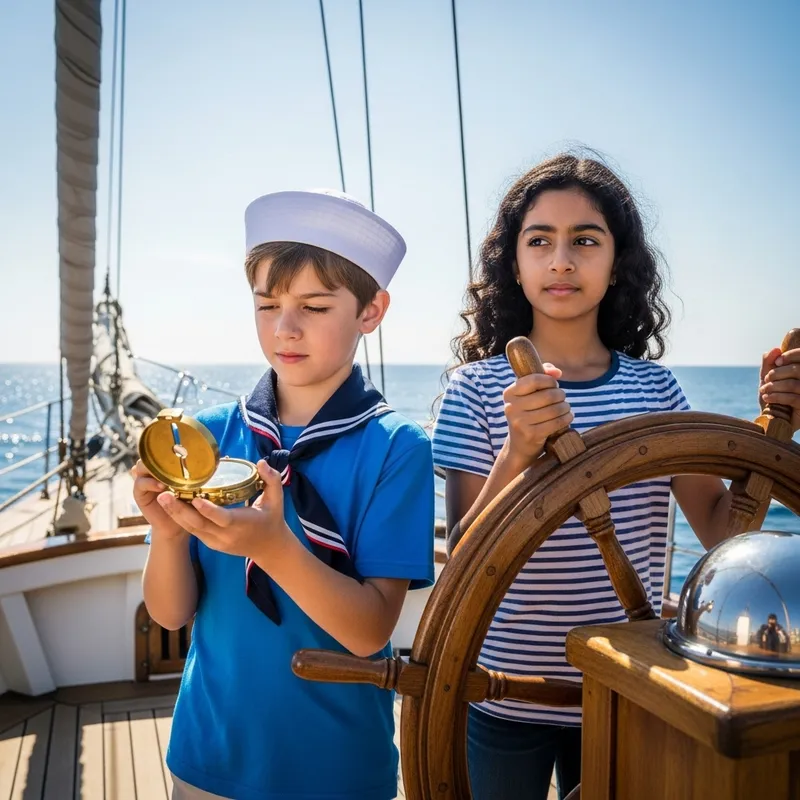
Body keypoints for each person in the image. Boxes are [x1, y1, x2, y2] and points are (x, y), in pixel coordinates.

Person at [431, 152, 800, 800]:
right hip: (497, 693)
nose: (562, 260)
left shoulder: (657, 390)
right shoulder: (475, 391)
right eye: (539, 240)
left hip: (624, 683)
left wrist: (779, 430)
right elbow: (462, 555)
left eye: (585, 240)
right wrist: (517, 451)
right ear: (513, 263)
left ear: (617, 261)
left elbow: (718, 534)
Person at [134, 189, 435, 800]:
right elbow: (168, 614)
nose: (285, 328)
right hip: (206, 754)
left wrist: (275, 549)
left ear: (371, 311)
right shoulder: (209, 435)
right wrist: (167, 533)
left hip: (336, 769)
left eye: (315, 307)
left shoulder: (397, 448)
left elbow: (369, 631)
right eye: (267, 305)